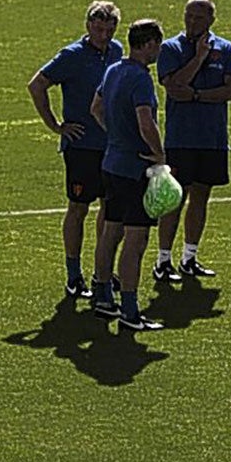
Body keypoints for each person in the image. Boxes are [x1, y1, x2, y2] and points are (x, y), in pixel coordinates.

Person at [27, 0, 122, 299]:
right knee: (79, 207)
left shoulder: (118, 52)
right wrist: (56, 125)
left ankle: (102, 271)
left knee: (109, 208)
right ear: (88, 26)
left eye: (109, 29)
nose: (103, 36)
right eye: (98, 29)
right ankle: (73, 275)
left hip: (111, 145)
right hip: (82, 146)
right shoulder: (72, 55)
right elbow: (37, 85)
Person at [153, 0, 231, 281]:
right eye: (189, 16)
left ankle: (189, 257)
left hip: (212, 138)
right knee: (174, 198)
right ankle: (163, 260)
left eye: (199, 18)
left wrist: (198, 95)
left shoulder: (226, 49)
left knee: (202, 196)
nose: (192, 22)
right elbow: (174, 86)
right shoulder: (171, 48)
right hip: (180, 138)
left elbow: (230, 91)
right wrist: (199, 57)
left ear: (211, 20)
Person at [89, 18, 167, 331]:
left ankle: (103, 297)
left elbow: (96, 108)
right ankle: (131, 311)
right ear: (148, 44)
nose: (159, 50)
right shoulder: (140, 79)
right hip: (136, 168)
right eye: (157, 45)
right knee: (136, 240)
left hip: (112, 163)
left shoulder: (113, 70)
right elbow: (146, 121)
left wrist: (116, 136)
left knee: (110, 232)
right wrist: (159, 155)